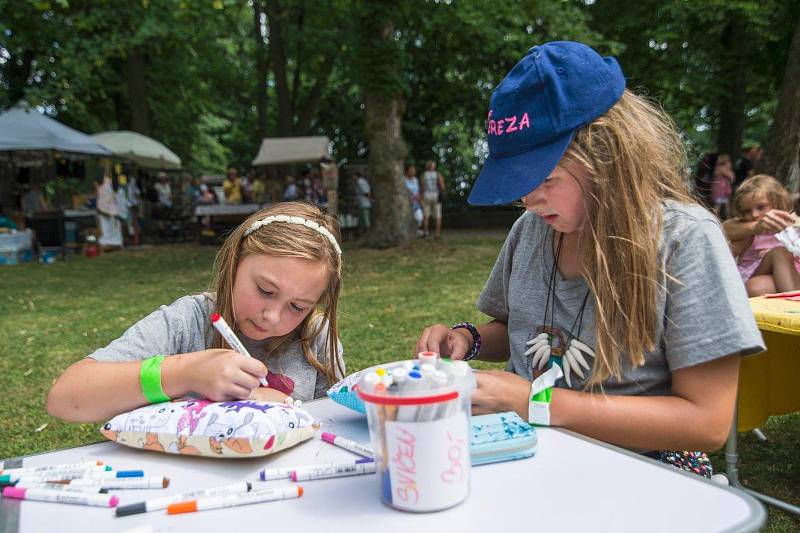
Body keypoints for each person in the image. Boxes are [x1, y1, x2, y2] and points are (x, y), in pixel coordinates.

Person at [416, 42, 763, 472]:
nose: (528, 199)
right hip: (522, 453)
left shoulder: (684, 241)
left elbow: (706, 421)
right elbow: (516, 327)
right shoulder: (532, 230)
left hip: (640, 469)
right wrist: (468, 339)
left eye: (545, 177)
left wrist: (535, 403)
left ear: (607, 153)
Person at [46, 201, 345, 422]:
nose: (273, 316)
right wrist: (185, 373)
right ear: (235, 261)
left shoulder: (315, 339)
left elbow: (336, 427)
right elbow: (65, 398)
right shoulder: (186, 323)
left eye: (297, 306)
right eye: (265, 290)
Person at [722, 174, 800, 296]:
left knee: (759, 287)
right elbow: (722, 257)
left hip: (787, 279)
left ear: (778, 202)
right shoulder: (749, 233)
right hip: (754, 273)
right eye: (747, 211)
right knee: (780, 252)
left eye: (761, 207)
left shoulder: (792, 225)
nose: (754, 215)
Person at [421, 160, 446, 238]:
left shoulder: (423, 175)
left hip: (426, 195)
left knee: (426, 215)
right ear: (434, 166)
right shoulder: (437, 174)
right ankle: (437, 233)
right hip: (435, 195)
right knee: (438, 215)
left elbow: (422, 187)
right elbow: (442, 187)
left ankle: (426, 232)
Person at [710, 153, 734, 219]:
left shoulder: (726, 169)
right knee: (718, 205)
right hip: (719, 189)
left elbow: (732, 178)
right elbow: (729, 176)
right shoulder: (719, 168)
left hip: (725, 189)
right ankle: (715, 219)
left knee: (727, 206)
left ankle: (728, 219)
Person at [404, 165, 423, 233]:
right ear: (407, 171)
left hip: (415, 203)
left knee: (419, 217)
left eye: (414, 171)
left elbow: (417, 191)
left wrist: (420, 200)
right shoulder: (403, 180)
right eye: (411, 170)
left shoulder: (415, 180)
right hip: (405, 203)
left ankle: (415, 230)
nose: (413, 172)